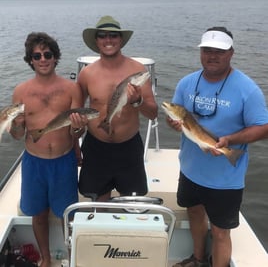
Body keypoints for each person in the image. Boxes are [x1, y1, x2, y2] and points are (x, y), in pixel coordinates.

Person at [167, 27, 268, 267]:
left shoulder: (247, 89)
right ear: (200, 52)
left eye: (219, 51)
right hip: (191, 169)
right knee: (194, 213)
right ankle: (198, 258)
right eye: (207, 50)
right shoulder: (186, 82)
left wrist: (230, 141)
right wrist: (173, 124)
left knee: (221, 231)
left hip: (225, 178)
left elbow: (263, 127)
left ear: (231, 53)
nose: (212, 56)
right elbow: (177, 119)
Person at [10, 32, 88, 267]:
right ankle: (45, 258)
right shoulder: (20, 92)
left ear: (55, 58)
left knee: (67, 214)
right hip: (34, 163)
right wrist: (17, 124)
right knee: (38, 214)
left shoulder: (72, 89)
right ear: (30, 59)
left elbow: (77, 133)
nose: (43, 59)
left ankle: (72, 254)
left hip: (63, 162)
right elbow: (16, 135)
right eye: (37, 55)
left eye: (48, 54)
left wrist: (77, 130)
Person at [77, 15, 158, 201]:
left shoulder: (138, 70)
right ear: (96, 41)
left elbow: (153, 113)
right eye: (102, 35)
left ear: (121, 39)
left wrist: (138, 101)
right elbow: (76, 112)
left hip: (129, 148)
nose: (108, 40)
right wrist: (75, 143)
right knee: (99, 201)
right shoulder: (86, 74)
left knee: (131, 204)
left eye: (113, 35)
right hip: (96, 148)